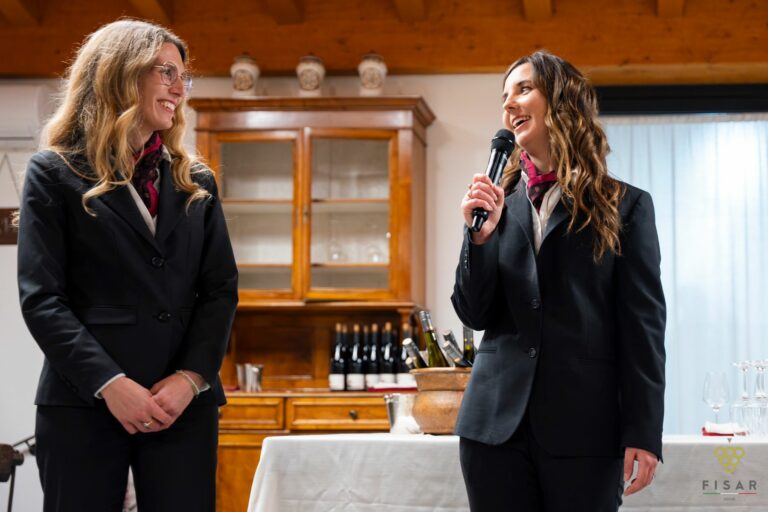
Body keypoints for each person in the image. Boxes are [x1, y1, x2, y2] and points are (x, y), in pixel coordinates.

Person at [16, 19, 238, 511]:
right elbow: (42, 299)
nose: (179, 88)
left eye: (183, 77)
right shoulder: (53, 172)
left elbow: (220, 290)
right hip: (83, 404)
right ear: (120, 74)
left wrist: (190, 378)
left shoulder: (196, 180)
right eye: (166, 72)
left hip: (182, 409)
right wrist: (110, 384)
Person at [452, 50, 666, 512]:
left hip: (585, 430)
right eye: (504, 96)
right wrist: (479, 240)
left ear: (562, 99)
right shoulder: (495, 205)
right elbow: (474, 312)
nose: (509, 104)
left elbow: (643, 328)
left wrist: (643, 430)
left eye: (524, 89)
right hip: (493, 431)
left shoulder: (626, 205)